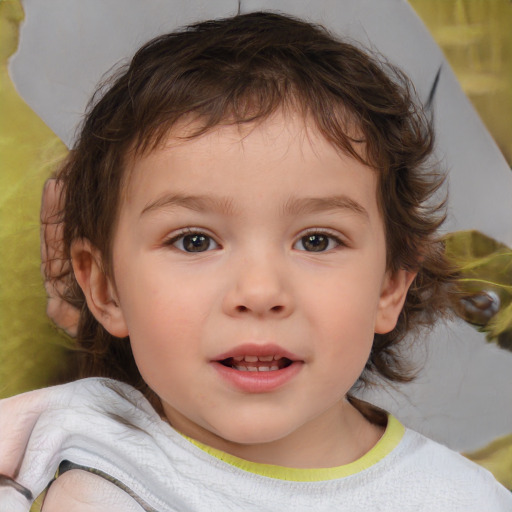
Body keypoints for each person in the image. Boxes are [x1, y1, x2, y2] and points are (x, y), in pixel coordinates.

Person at [0, 11, 510, 511]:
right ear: (105, 288)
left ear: (390, 287)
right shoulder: (57, 445)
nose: (261, 292)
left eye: (317, 241)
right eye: (194, 241)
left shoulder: (464, 500)